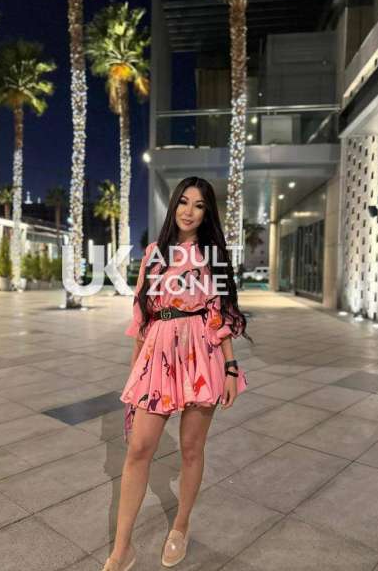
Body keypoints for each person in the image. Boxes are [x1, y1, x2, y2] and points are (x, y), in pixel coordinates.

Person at [102, 177, 251, 571]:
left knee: (191, 449)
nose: (189, 211)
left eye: (199, 205)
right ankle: (122, 549)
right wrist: (134, 375)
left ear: (207, 212)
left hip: (202, 354)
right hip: (158, 353)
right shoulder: (154, 254)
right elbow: (141, 319)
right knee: (138, 448)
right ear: (174, 206)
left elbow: (220, 315)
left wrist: (231, 367)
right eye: (184, 202)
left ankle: (180, 527)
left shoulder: (213, 256)